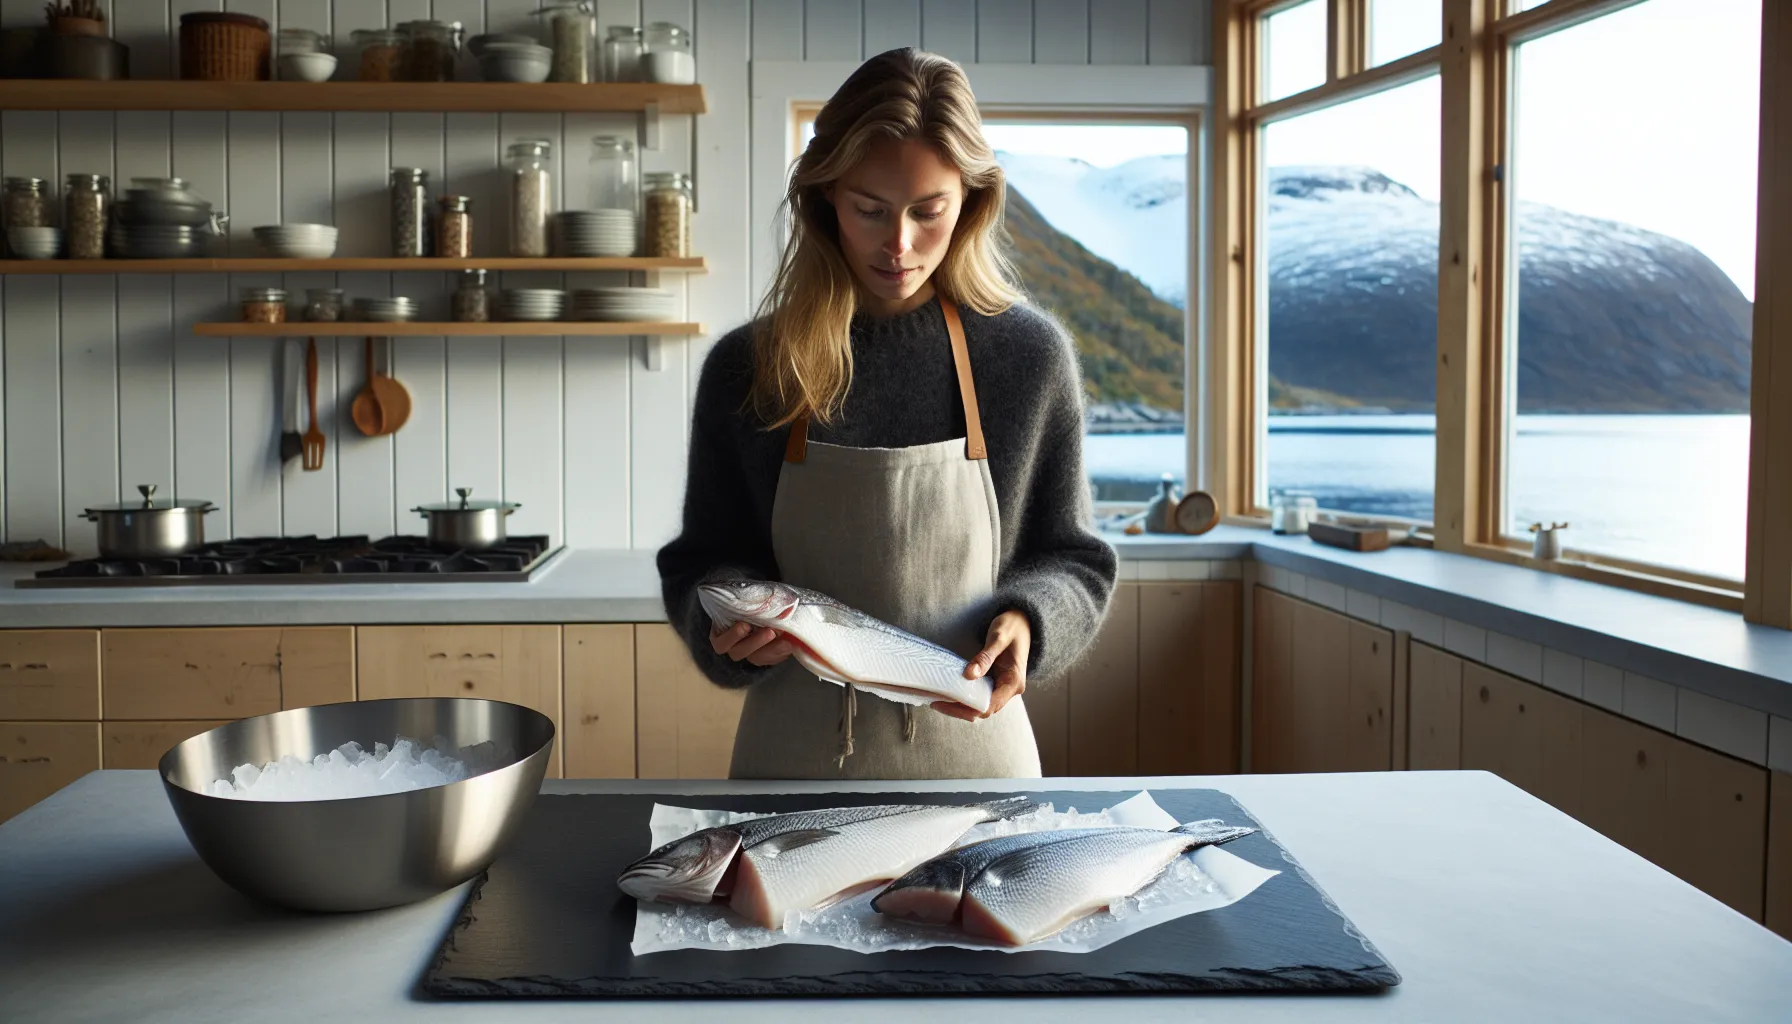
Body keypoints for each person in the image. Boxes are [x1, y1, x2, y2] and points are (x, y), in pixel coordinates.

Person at [656, 47, 1118, 780]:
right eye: (869, 210)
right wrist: (723, 626)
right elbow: (699, 562)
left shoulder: (1028, 359)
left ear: (970, 202)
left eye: (928, 211)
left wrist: (1031, 618)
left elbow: (1074, 559)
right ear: (824, 199)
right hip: (792, 771)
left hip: (979, 764)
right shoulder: (750, 367)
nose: (898, 244)